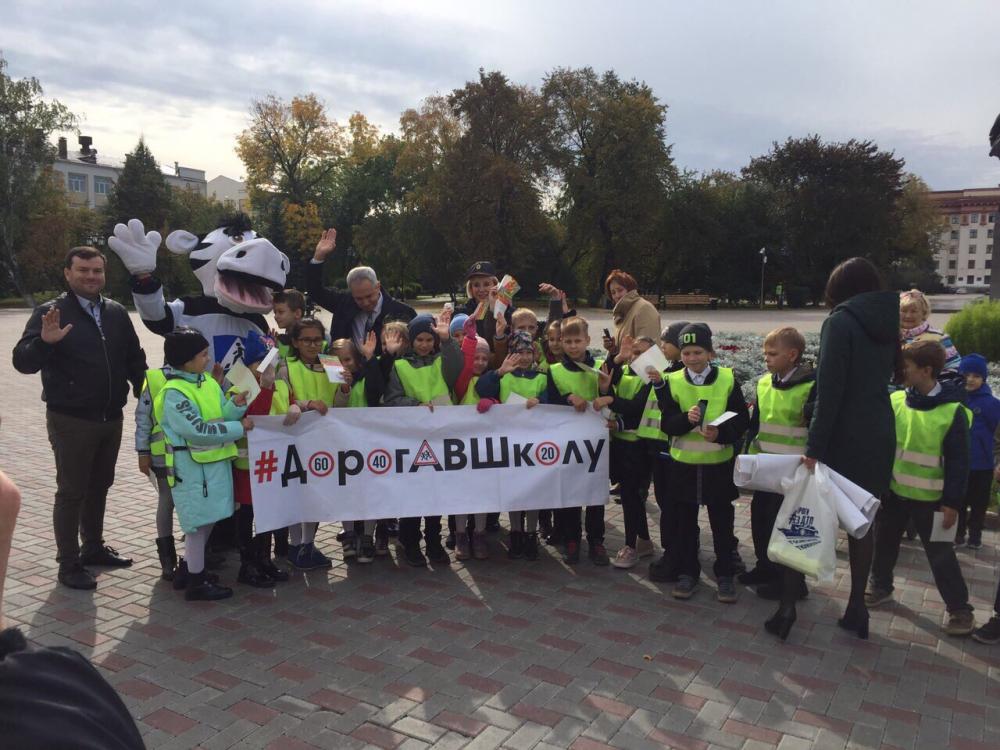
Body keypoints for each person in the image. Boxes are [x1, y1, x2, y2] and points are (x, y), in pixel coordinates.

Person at [12, 246, 147, 590]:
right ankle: (68, 563)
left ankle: (93, 547)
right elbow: (23, 362)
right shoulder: (50, 313)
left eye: (97, 271)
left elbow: (134, 357)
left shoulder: (116, 312)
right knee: (71, 491)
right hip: (71, 418)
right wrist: (45, 342)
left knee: (100, 485)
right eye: (83, 270)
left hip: (110, 416)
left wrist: (144, 391)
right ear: (68, 273)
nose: (91, 277)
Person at [803, 257, 899, 639]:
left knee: (812, 511)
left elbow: (830, 392)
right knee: (863, 523)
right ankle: (858, 604)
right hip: (878, 429)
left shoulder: (839, 322)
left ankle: (791, 596)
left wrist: (813, 447)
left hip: (843, 433)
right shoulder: (888, 323)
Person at [865, 341, 976, 636]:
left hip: (935, 503)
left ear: (926, 371)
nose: (900, 371)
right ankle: (881, 586)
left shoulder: (952, 412)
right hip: (894, 495)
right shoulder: (897, 401)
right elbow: (884, 447)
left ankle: (959, 609)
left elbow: (959, 463)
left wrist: (952, 503)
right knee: (884, 543)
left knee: (941, 555)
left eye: (907, 367)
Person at [154, 328, 250, 602]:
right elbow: (196, 430)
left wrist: (235, 405)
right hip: (192, 467)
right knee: (196, 526)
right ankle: (196, 582)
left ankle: (190, 570)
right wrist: (237, 427)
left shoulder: (205, 382)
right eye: (202, 354)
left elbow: (221, 413)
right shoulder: (174, 392)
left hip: (213, 464)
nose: (208, 359)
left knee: (207, 522)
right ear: (185, 360)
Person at [655, 324, 749, 602]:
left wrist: (721, 434)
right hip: (683, 466)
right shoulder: (672, 381)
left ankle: (725, 574)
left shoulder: (728, 379)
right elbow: (667, 424)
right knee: (684, 524)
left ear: (710, 352)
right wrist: (686, 419)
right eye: (686, 353)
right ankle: (688, 573)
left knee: (721, 523)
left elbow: (741, 419)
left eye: (698, 352)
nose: (692, 358)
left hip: (717, 466)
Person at [384, 311, 462, 566]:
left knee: (435, 494)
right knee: (414, 495)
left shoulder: (443, 360)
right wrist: (415, 404)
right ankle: (410, 542)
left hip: (440, 436)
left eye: (430, 340)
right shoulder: (400, 365)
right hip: (412, 438)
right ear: (412, 341)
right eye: (420, 340)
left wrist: (447, 339)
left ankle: (433, 541)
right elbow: (393, 399)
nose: (425, 344)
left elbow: (457, 366)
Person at [740, 328, 816, 593]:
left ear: (792, 355)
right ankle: (765, 567)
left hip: (795, 471)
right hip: (766, 469)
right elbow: (755, 425)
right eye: (765, 354)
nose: (767, 359)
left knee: (787, 524)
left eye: (773, 354)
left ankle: (792, 582)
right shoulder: (764, 383)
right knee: (761, 519)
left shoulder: (811, 386)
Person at [476, 331, 550, 560]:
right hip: (509, 443)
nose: (525, 357)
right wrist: (498, 372)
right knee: (516, 491)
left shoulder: (542, 378)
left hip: (533, 444)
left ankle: (531, 533)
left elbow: (551, 405)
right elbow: (482, 389)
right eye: (519, 352)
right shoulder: (502, 376)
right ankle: (516, 531)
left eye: (528, 352)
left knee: (533, 490)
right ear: (511, 354)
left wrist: (541, 402)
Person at [230, 333, 295, 588]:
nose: (268, 367)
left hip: (272, 464)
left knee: (268, 513)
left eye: (273, 360)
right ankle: (247, 565)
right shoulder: (240, 387)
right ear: (249, 364)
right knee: (247, 515)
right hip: (247, 467)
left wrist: (295, 407)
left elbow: (289, 404)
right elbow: (254, 417)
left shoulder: (281, 385)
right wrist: (266, 388)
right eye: (262, 362)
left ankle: (264, 560)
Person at [546, 316, 610, 566]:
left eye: (578, 341)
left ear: (587, 340)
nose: (573, 346)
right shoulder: (555, 370)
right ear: (561, 342)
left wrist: (605, 391)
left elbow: (610, 398)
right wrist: (568, 398)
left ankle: (597, 541)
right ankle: (572, 540)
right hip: (568, 441)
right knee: (571, 492)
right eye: (568, 341)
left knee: (595, 494)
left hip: (596, 442)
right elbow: (549, 404)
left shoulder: (602, 366)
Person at [307, 228, 417, 355]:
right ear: (351, 292)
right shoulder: (343, 303)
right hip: (346, 371)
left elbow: (418, 347)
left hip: (384, 372)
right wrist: (318, 257)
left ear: (378, 286)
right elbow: (315, 291)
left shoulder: (402, 312)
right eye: (358, 298)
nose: (365, 302)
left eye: (369, 296)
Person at [283, 318, 338, 571]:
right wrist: (306, 405)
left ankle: (308, 542)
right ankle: (296, 544)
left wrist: (346, 387)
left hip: (324, 438)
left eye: (318, 340)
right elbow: (281, 401)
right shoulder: (286, 366)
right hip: (295, 438)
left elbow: (344, 404)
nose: (313, 345)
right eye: (306, 340)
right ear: (295, 342)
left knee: (317, 491)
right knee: (295, 492)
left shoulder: (331, 363)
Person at [329, 333, 383, 562]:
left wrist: (371, 360)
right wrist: (343, 388)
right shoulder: (331, 384)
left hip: (369, 445)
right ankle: (349, 534)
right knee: (347, 492)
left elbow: (375, 391)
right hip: (343, 446)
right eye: (338, 362)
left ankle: (368, 536)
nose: (344, 366)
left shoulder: (367, 375)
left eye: (348, 360)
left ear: (357, 360)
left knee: (371, 492)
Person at [135, 359, 179, 580]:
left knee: (169, 500)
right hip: (165, 453)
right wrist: (143, 452)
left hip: (182, 453)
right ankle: (168, 559)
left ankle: (177, 559)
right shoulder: (152, 378)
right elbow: (143, 417)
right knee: (168, 500)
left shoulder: (201, 375)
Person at [956, 354, 1000, 548]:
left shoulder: (991, 404)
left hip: (982, 463)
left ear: (983, 379)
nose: (970, 379)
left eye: (976, 375)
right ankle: (957, 535)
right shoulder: (955, 399)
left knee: (979, 504)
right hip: (959, 463)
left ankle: (975, 536)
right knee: (957, 501)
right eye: (966, 374)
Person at [602, 269, 662, 355]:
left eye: (620, 290)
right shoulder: (622, 311)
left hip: (644, 367)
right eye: (613, 292)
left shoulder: (644, 309)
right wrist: (612, 349)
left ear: (630, 289)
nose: (617, 295)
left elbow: (648, 351)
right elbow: (624, 352)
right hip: (627, 367)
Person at [899, 289, 960, 371]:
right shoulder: (888, 337)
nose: (908, 316)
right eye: (903, 311)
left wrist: (930, 383)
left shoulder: (939, 338)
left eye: (914, 311)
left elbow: (955, 369)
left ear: (924, 313)